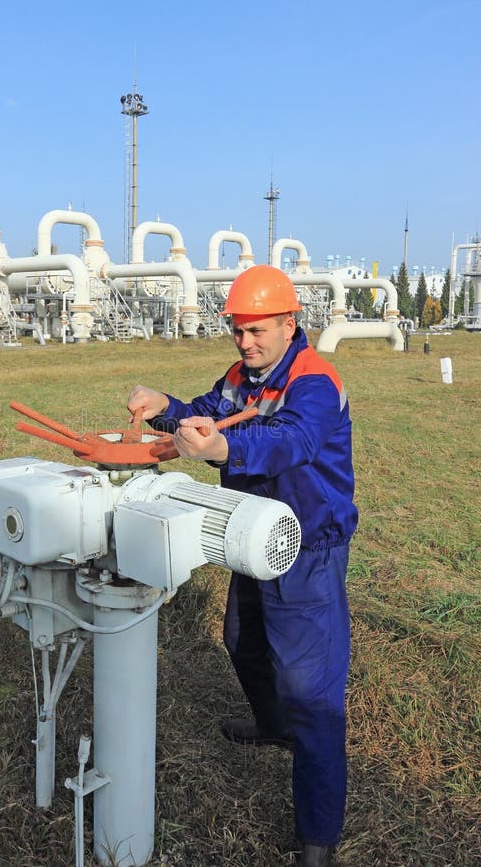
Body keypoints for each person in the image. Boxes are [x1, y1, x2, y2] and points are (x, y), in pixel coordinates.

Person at [127, 265, 357, 867]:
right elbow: (202, 410)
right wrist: (162, 408)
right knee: (243, 642)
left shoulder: (314, 381)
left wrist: (223, 448)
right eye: (238, 332)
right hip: (251, 534)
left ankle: (317, 838)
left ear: (290, 324)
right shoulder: (239, 377)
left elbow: (292, 441)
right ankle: (272, 725)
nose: (246, 343)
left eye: (257, 331)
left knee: (312, 692)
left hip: (306, 546)